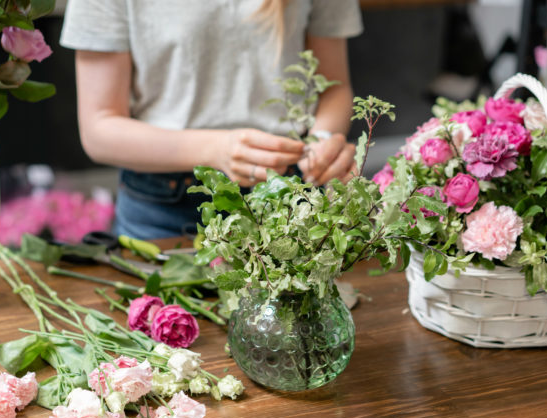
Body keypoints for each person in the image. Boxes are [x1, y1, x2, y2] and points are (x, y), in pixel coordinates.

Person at [60, 0, 363, 239]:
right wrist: (216, 150)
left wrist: (321, 143)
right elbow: (99, 127)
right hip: (166, 212)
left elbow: (333, 87)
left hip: (291, 193)